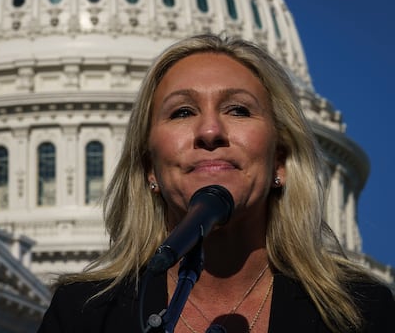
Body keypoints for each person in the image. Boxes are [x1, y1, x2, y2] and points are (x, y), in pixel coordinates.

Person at [37, 34, 395, 333]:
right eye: (182, 112)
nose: (210, 131)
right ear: (150, 169)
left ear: (280, 162)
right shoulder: (84, 317)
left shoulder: (360, 315)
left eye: (238, 109)